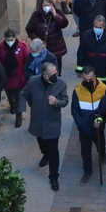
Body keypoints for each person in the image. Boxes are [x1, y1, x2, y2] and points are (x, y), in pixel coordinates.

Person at [19, 62, 69, 191]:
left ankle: (53, 177)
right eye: (52, 74)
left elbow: (65, 101)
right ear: (45, 75)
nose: (55, 76)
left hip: (52, 123)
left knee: (53, 150)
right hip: (37, 122)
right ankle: (45, 154)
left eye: (56, 73)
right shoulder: (33, 81)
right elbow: (23, 94)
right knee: (42, 144)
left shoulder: (61, 83)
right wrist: (22, 110)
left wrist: (57, 102)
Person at [71, 66, 106, 185]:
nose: (87, 82)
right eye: (85, 79)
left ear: (95, 77)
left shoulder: (103, 88)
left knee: (100, 143)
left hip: (98, 126)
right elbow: (74, 110)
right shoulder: (77, 90)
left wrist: (101, 120)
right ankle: (87, 171)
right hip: (84, 128)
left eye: (90, 80)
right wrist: (80, 124)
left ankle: (102, 154)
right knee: (85, 151)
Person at [0, 30, 30, 128]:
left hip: (19, 77)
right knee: (10, 95)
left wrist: (24, 75)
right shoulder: (1, 47)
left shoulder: (22, 46)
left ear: (15, 38)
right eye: (8, 40)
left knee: (19, 97)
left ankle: (18, 117)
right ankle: (12, 106)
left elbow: (27, 61)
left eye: (11, 40)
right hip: (7, 77)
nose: (10, 42)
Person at [25, 0, 69, 75]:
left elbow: (64, 24)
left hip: (56, 46)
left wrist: (56, 15)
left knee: (56, 65)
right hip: (42, 47)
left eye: (49, 5)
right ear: (41, 6)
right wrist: (36, 39)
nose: (47, 7)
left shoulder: (58, 12)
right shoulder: (36, 15)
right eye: (45, 5)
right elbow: (29, 29)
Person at [76, 15, 106, 84]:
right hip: (90, 76)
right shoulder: (86, 35)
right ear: (93, 25)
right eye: (96, 27)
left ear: (104, 26)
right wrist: (79, 70)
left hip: (105, 75)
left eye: (100, 27)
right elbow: (81, 53)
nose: (97, 29)